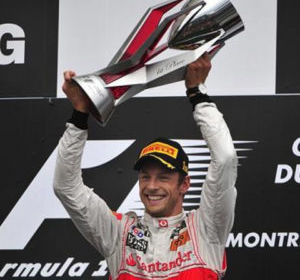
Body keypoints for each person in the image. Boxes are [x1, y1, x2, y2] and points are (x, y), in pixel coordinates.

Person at [53, 53, 237, 279]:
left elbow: (225, 157)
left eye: (163, 177)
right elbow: (65, 187)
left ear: (184, 184)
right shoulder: (119, 234)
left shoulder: (206, 229)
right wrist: (79, 114)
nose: (151, 186)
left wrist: (197, 93)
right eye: (145, 176)